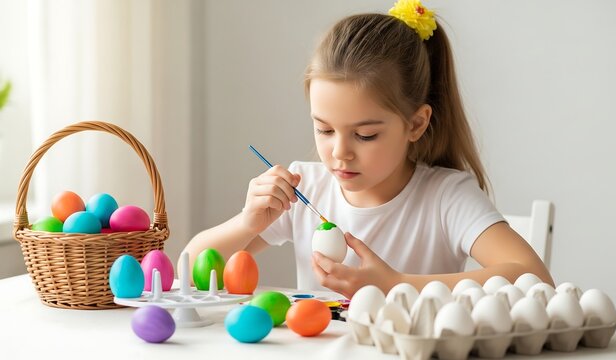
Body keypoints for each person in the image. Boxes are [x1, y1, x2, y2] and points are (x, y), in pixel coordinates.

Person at [183, 0, 553, 299]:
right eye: (324, 129)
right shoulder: (304, 189)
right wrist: (247, 223)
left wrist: (396, 284)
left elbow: (536, 280)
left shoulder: (445, 197)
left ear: (416, 124)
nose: (339, 153)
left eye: (365, 135)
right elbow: (189, 272)